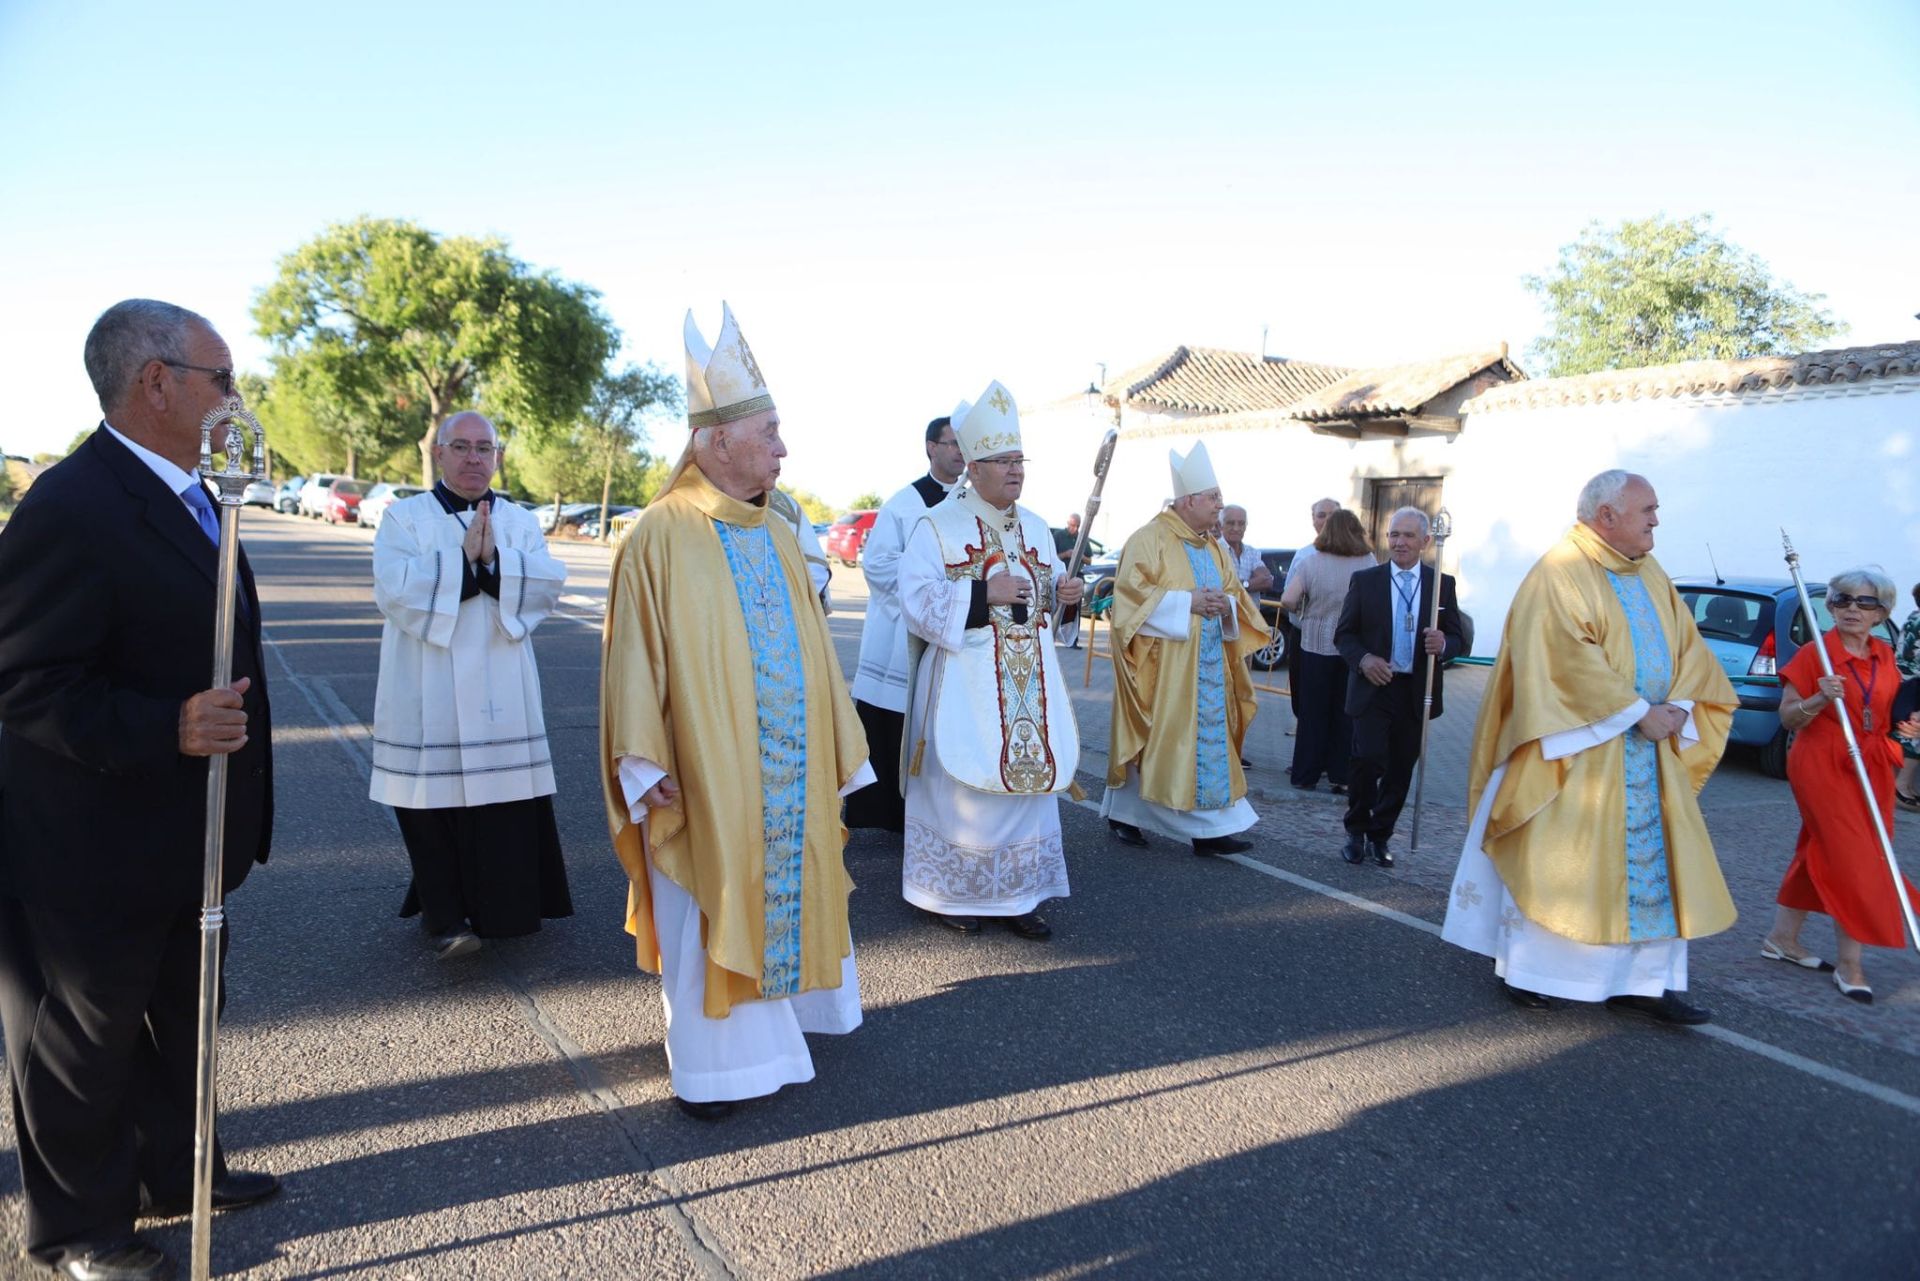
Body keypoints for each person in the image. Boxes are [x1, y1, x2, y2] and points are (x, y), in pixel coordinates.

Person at [0, 299, 279, 1281]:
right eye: (222, 377)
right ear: (155, 382)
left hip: (183, 833)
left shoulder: (197, 493)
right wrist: (165, 725)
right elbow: (22, 680)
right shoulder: (72, 505)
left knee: (178, 1013)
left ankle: (177, 1170)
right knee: (81, 1043)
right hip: (90, 842)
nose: (235, 398)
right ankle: (79, 1231)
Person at [600, 303, 872, 1120]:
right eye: (771, 432)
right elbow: (631, 655)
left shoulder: (780, 530)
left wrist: (838, 743)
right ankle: (714, 1072)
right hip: (704, 771)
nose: (784, 449)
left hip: (788, 765)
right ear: (717, 443)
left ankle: (782, 1034)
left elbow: (817, 649)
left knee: (782, 884)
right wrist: (641, 764)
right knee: (712, 899)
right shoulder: (659, 533)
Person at [1441, 470, 1738, 1024]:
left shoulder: (1650, 572)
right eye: (1647, 509)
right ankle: (1535, 973)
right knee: (1563, 862)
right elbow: (1560, 660)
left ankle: (1644, 983)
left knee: (1652, 869)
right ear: (1607, 515)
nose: (1656, 520)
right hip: (1575, 749)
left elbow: (1689, 648)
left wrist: (1679, 706)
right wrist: (1640, 713)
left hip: (1649, 753)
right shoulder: (1560, 571)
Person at [370, 410, 573, 959]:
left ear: (497, 457)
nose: (473, 458)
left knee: (502, 798)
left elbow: (547, 585)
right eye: (460, 447)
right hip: (425, 681)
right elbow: (393, 590)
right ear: (438, 453)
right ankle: (444, 918)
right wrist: (462, 561)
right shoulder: (404, 518)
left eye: (484, 448)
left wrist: (495, 561)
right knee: (428, 798)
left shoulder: (520, 521)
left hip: (500, 682)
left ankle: (503, 910)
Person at [897, 381, 1082, 937]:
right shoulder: (937, 525)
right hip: (965, 686)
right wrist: (982, 594)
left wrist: (1065, 597)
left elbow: (1045, 604)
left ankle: (1020, 895)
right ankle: (950, 896)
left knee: (1026, 796)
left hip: (1029, 691)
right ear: (973, 468)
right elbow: (916, 601)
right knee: (963, 791)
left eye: (1019, 460)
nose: (1015, 470)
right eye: (1003, 461)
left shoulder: (1037, 527)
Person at [1103, 442, 1269, 855]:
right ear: (1189, 500)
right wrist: (1186, 603)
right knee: (1153, 738)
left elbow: (1235, 595)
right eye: (1213, 497)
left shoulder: (1213, 547)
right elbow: (1129, 601)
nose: (1220, 505)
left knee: (1208, 745)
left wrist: (1225, 606)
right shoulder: (1149, 539)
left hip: (1209, 667)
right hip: (1163, 669)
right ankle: (1126, 814)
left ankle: (1211, 830)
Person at [1762, 568, 1920, 1003]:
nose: (1853, 608)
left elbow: (1886, 714)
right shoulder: (1815, 653)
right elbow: (1788, 718)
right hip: (1822, 763)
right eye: (1843, 599)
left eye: (1865, 602)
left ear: (1881, 613)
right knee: (1857, 859)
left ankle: (1782, 938)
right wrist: (1818, 698)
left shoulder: (1884, 655)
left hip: (1871, 764)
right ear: (1830, 606)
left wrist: (1908, 727)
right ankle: (1851, 963)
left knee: (1821, 848)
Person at [846, 416, 964, 831]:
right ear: (931, 447)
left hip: (957, 632)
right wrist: (927, 579)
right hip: (902, 637)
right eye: (951, 443)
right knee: (895, 723)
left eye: (964, 444)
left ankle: (941, 811)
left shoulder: (971, 502)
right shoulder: (904, 503)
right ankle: (892, 816)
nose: (960, 451)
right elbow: (877, 565)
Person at [1334, 507, 1466, 868]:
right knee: (1367, 759)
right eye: (1394, 535)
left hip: (1415, 690)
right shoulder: (1367, 581)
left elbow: (1459, 638)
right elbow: (1344, 635)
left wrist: (1445, 644)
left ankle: (1381, 835)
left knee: (1401, 767)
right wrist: (1364, 660)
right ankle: (1356, 830)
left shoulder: (1441, 584)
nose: (1399, 542)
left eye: (1408, 535)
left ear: (1425, 541)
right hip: (1374, 686)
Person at [1279, 508, 1375, 793]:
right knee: (1345, 713)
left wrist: (1306, 607)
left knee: (1312, 712)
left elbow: (1287, 599)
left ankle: (1305, 774)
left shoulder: (1311, 562)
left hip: (1314, 644)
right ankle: (1341, 776)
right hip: (1352, 647)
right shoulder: (1368, 562)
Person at [1896, 581, 1920, 810]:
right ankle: (1901, 787)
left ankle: (1907, 786)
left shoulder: (1913, 617)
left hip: (1907, 681)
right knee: (1914, 735)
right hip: (1915, 682)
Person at [1221, 505, 1275, 595]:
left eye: (1241, 523)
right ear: (1221, 525)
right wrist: (1252, 583)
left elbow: (1267, 581)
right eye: (1231, 523)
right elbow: (1220, 587)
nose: (1236, 528)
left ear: (1246, 526)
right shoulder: (1214, 550)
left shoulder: (1252, 552)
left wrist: (1240, 585)